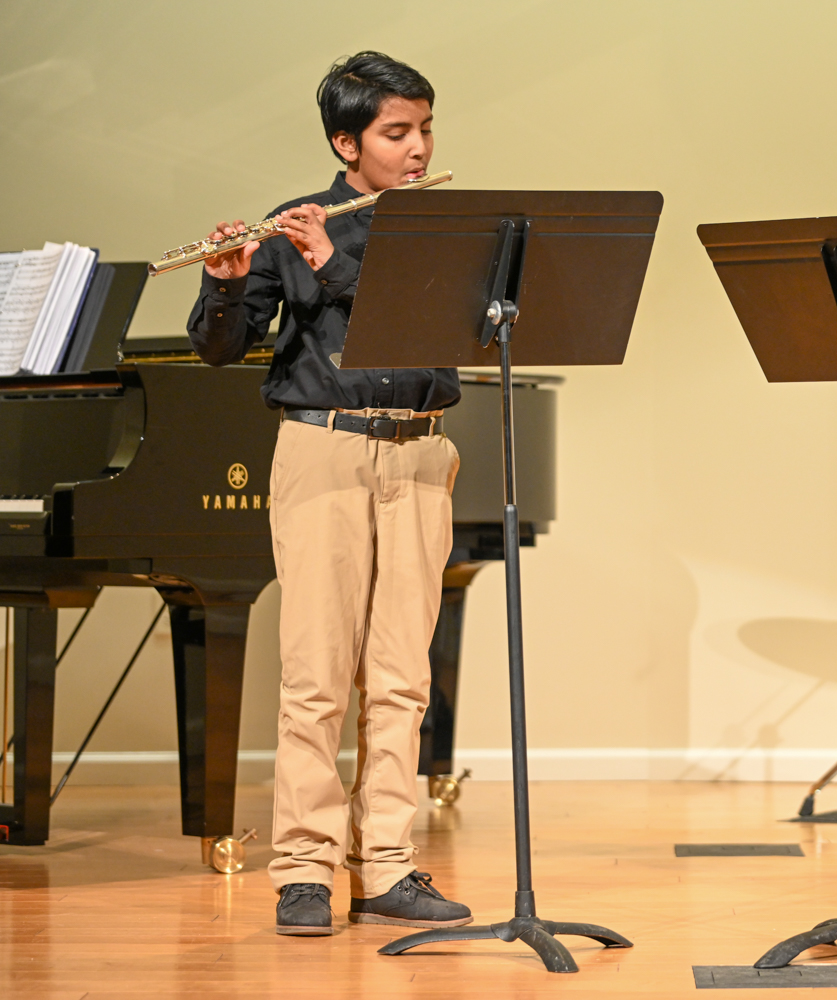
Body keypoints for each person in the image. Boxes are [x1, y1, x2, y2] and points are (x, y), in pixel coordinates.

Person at [187, 51, 471, 937]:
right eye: (397, 132)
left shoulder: (447, 231)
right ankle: (305, 869)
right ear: (347, 143)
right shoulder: (293, 224)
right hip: (325, 449)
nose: (418, 148)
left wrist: (335, 266)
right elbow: (221, 349)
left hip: (419, 453)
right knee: (315, 675)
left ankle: (385, 863)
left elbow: (433, 333)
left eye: (425, 129)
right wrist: (225, 282)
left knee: (402, 676)